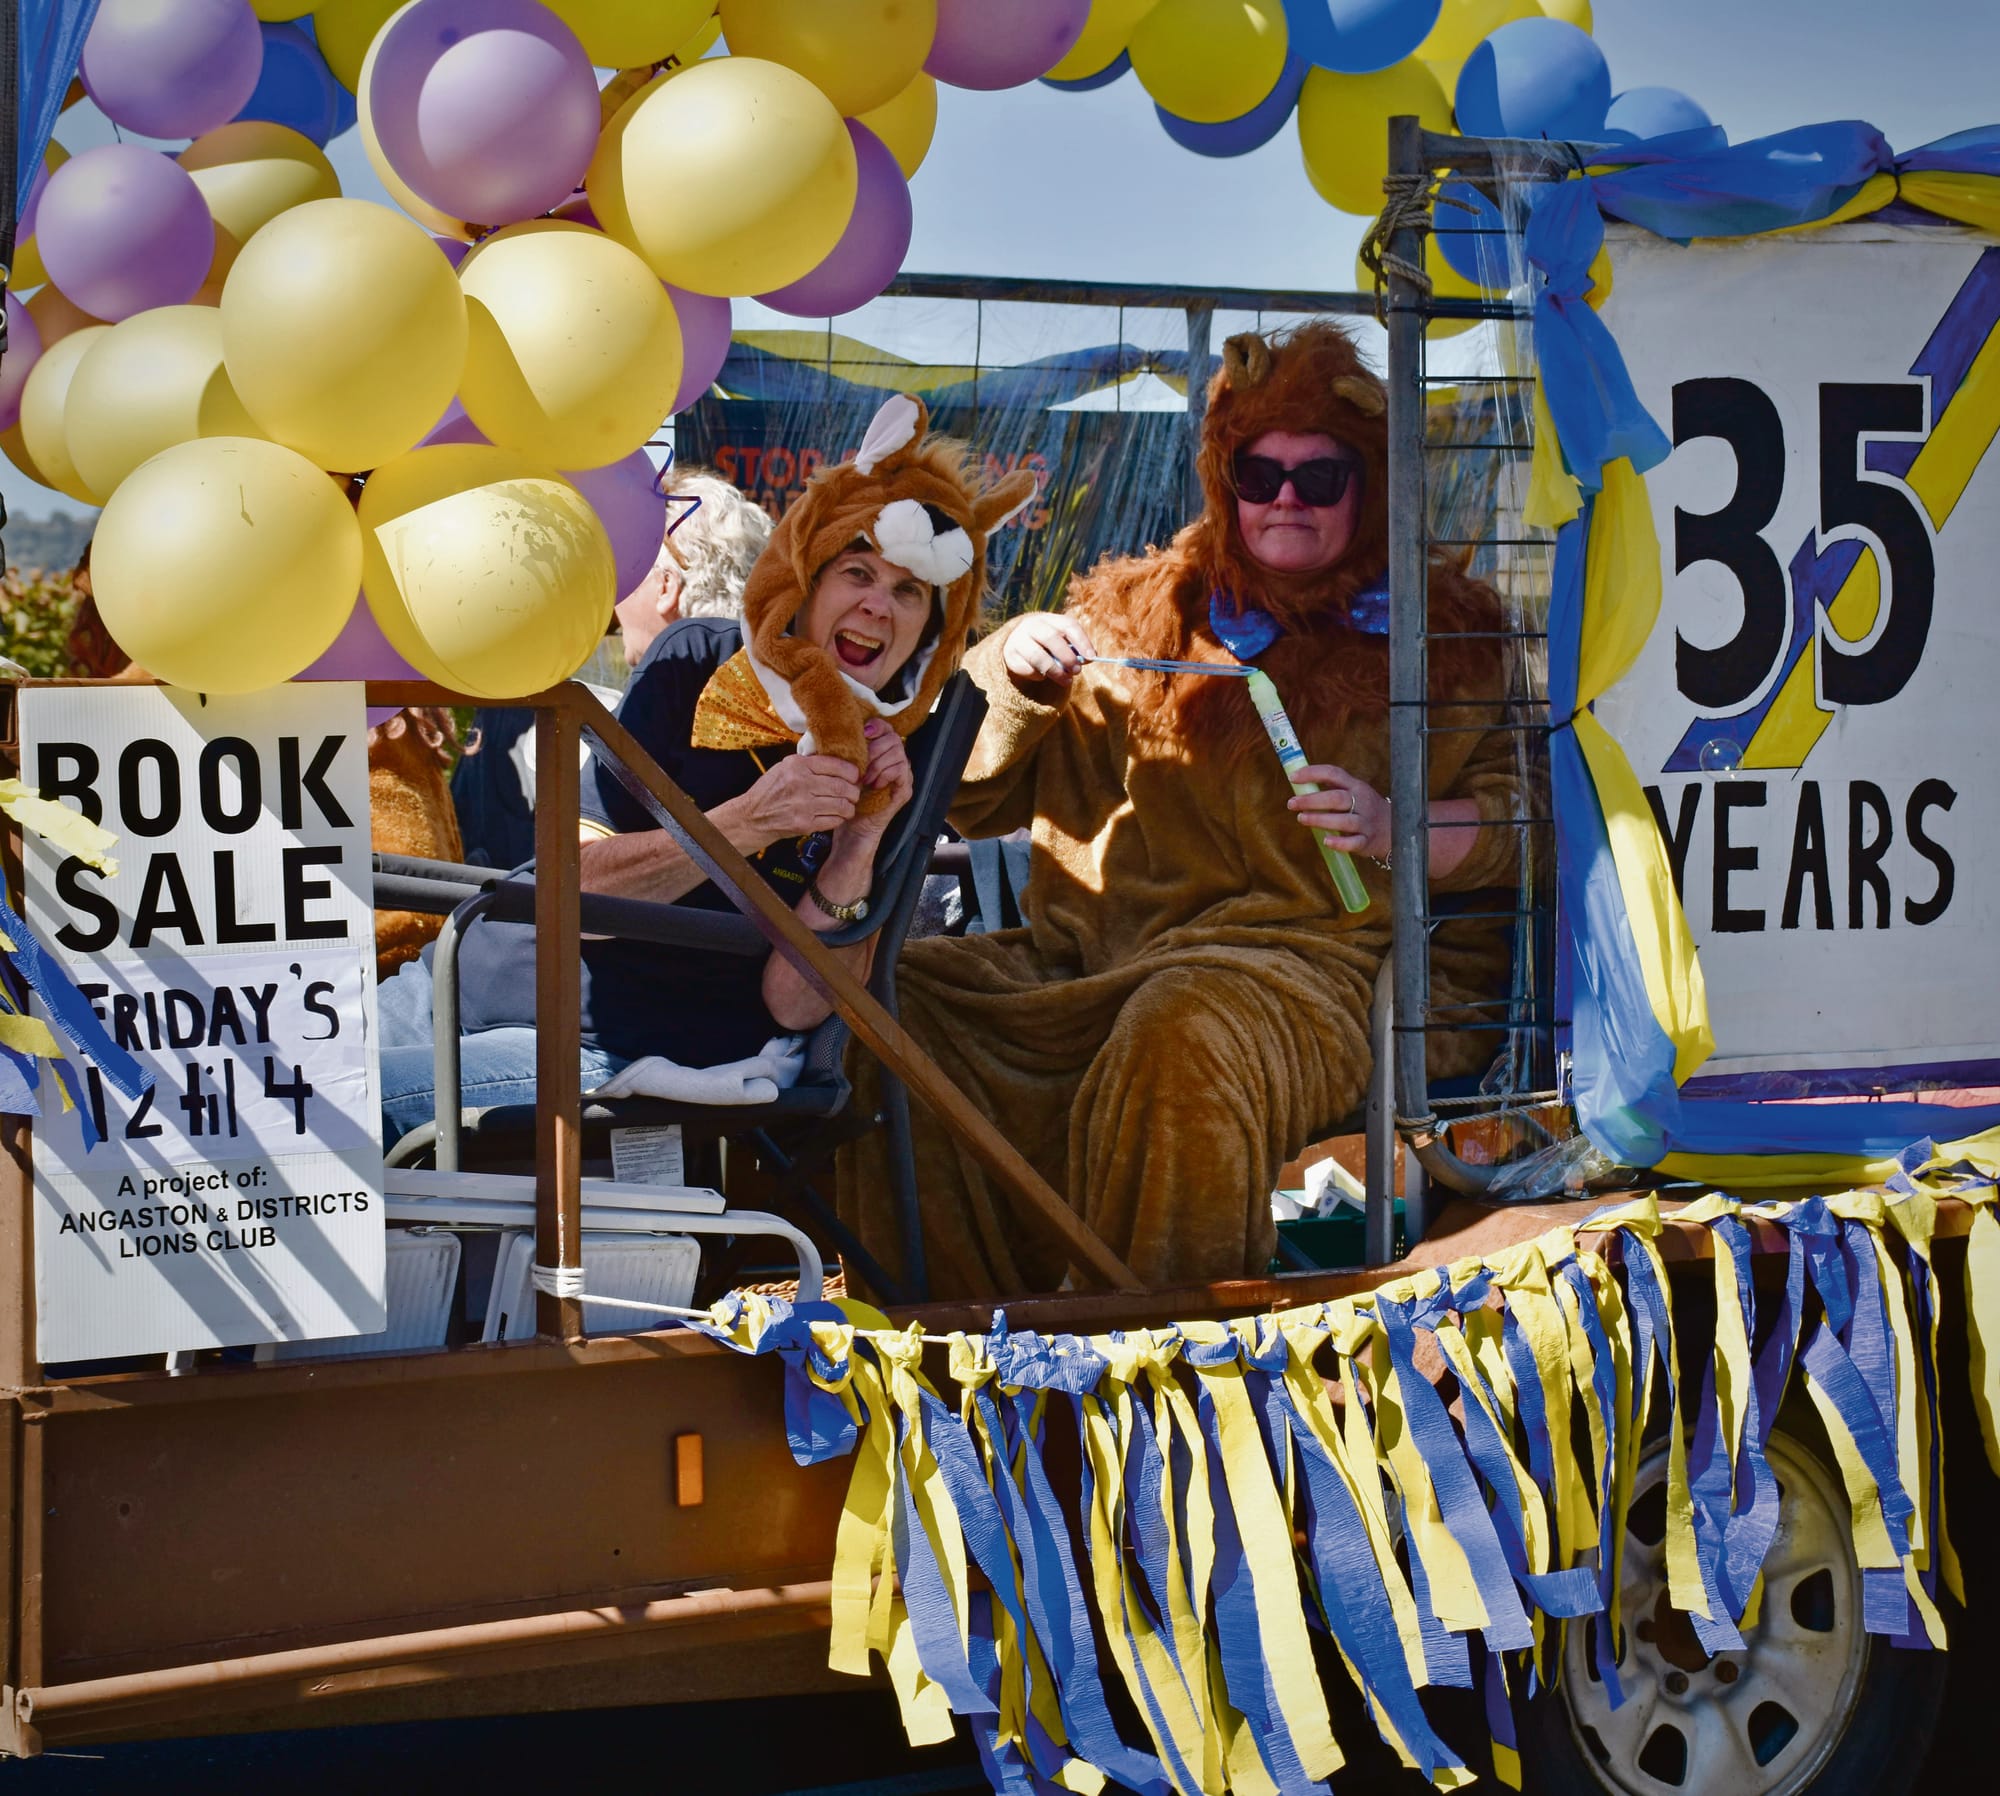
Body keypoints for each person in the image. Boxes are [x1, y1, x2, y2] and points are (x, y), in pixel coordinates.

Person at [839, 322, 1524, 1297]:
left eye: (1319, 477)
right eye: (1257, 474)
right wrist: (1011, 666)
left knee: (1180, 1031)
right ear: (1222, 477)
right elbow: (973, 793)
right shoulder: (1137, 612)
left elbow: (1523, 823)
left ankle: (1159, 1362)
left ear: (1366, 485)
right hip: (1088, 959)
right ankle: (959, 1337)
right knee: (887, 999)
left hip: (1309, 971)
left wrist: (1392, 827)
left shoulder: (1442, 634)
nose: (1284, 498)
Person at [378, 395, 1036, 1150]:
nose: (877, 607)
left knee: (304, 1128)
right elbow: (579, 889)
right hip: (459, 971)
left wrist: (858, 844)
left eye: (908, 591)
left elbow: (795, 1008)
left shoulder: (899, 758)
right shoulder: (698, 661)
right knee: (242, 1085)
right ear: (810, 580)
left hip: (598, 1045)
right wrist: (755, 818)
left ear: (931, 625)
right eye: (858, 571)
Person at [450, 468, 775, 871]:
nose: (614, 602)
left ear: (666, 588)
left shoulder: (606, 711)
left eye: (626, 573)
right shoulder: (791, 695)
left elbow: (577, 879)